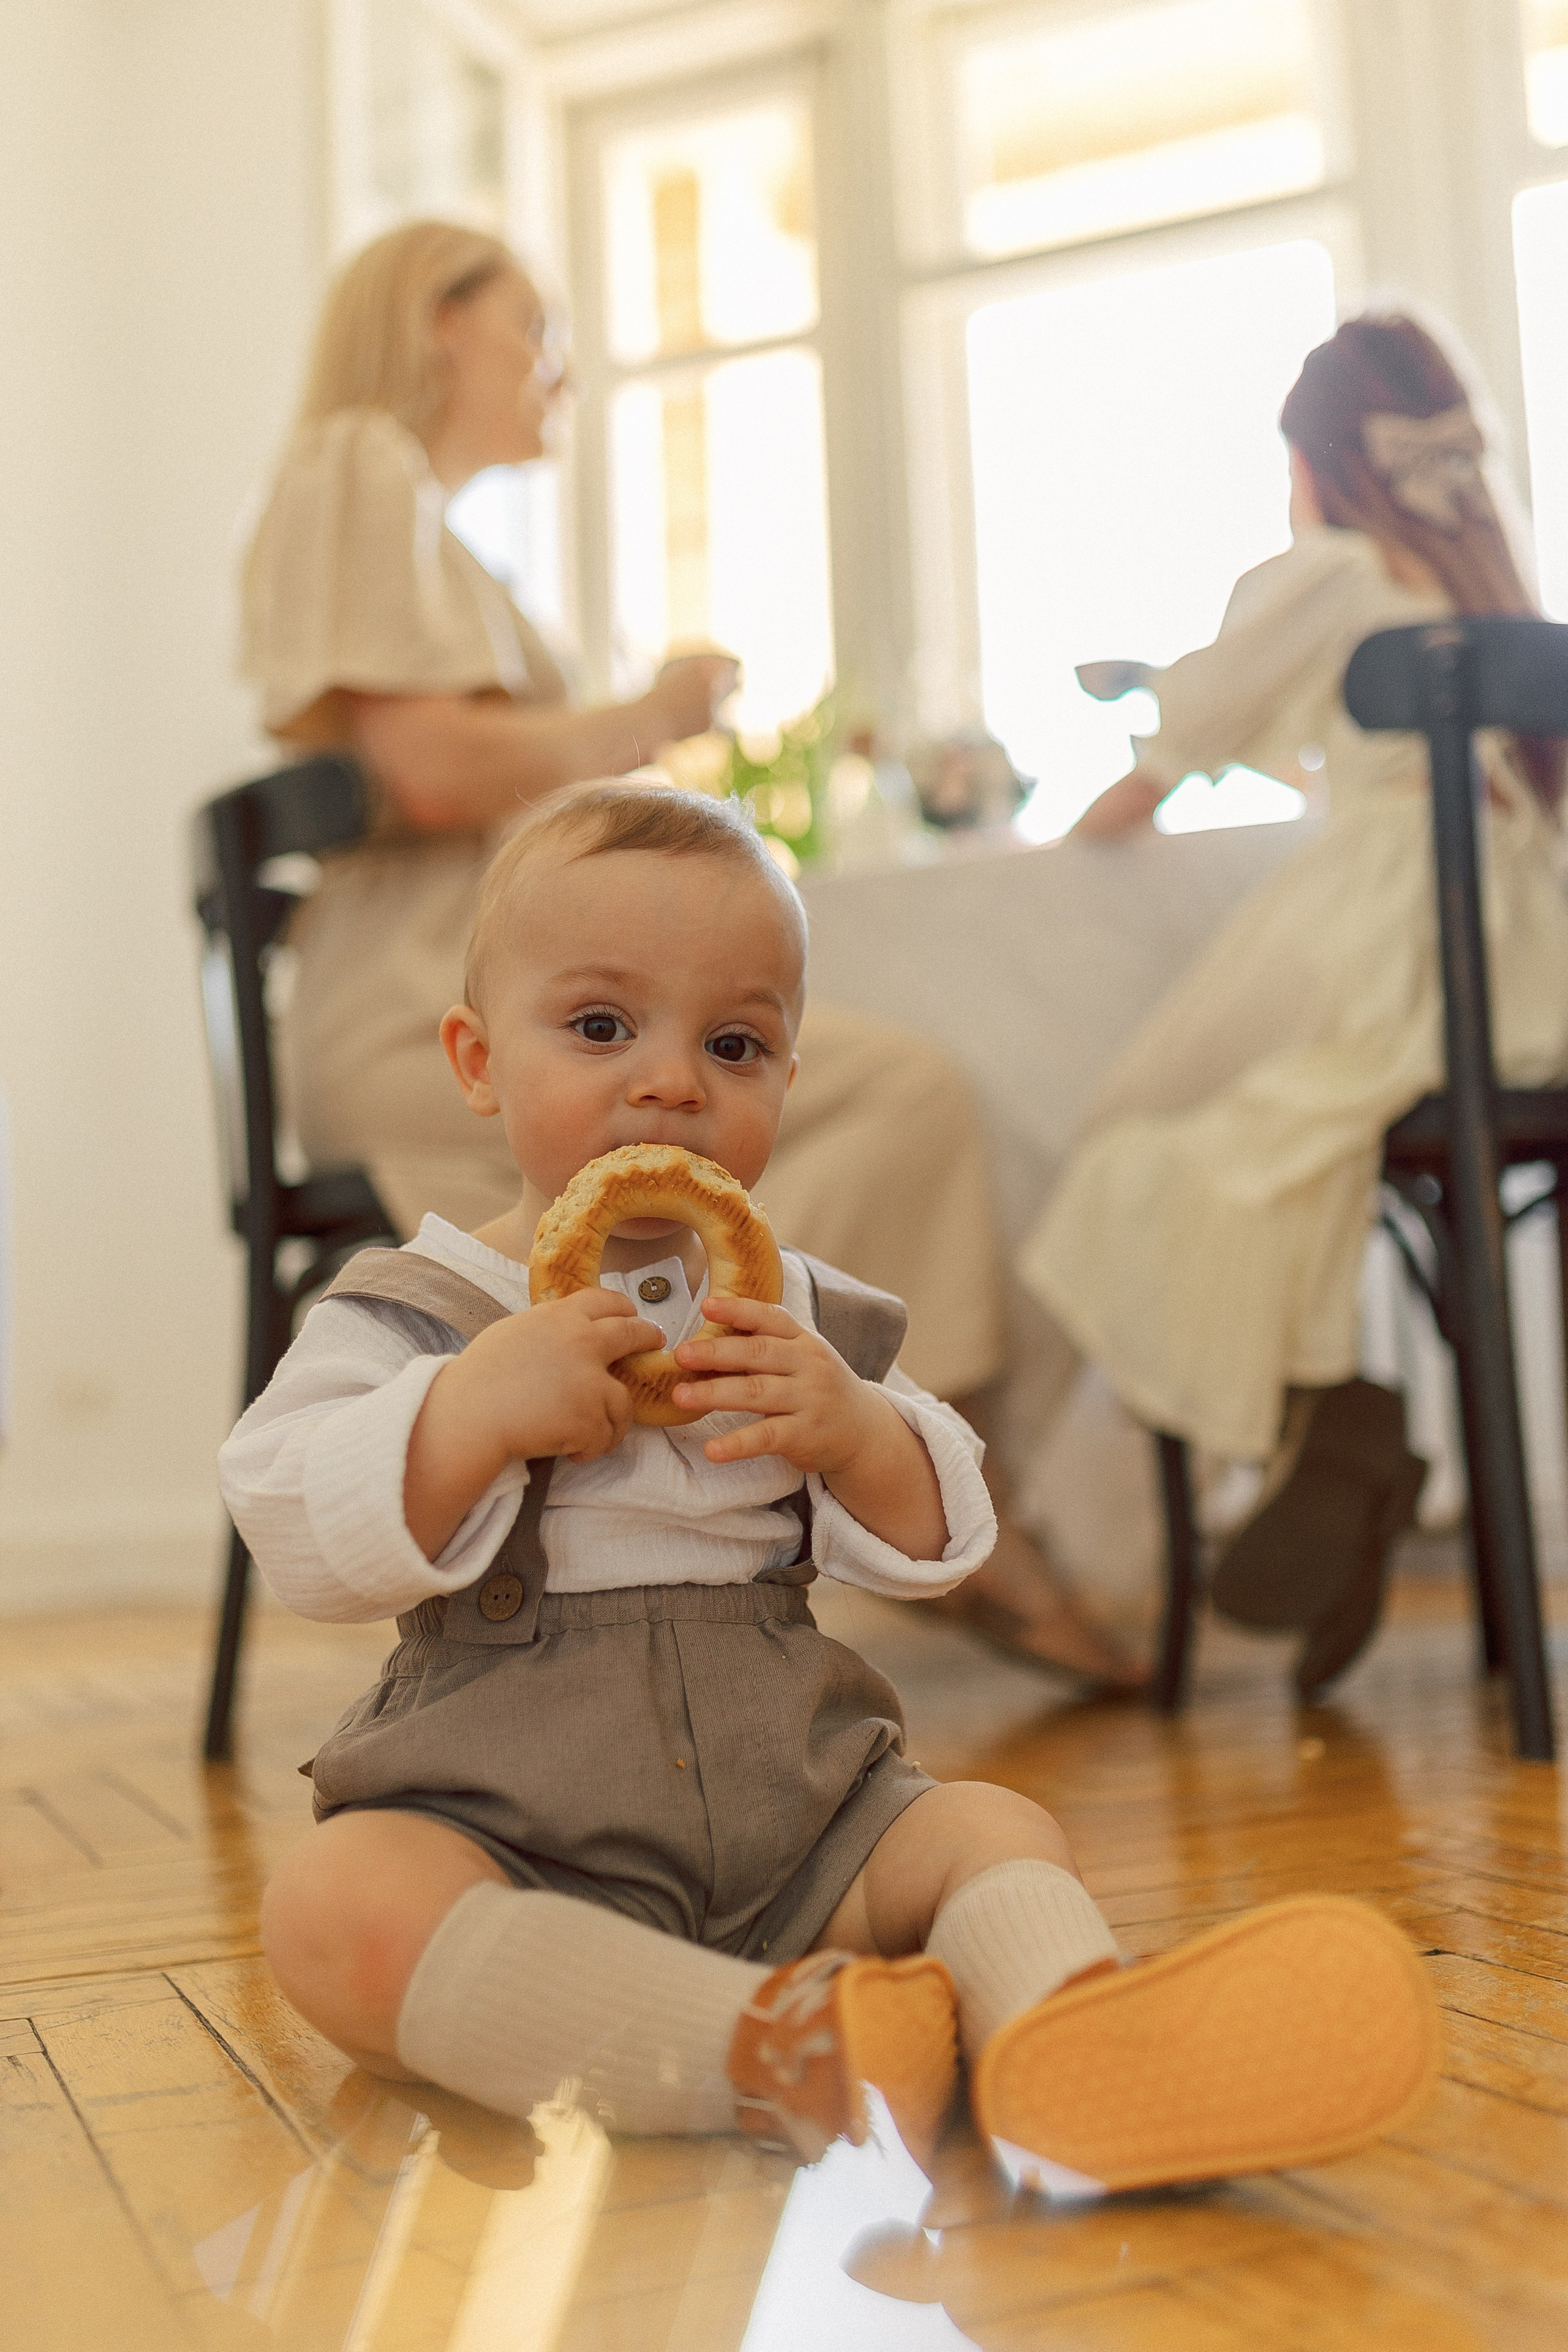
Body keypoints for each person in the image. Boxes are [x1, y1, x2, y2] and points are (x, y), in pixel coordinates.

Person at [221, 780, 1437, 2185]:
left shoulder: (802, 1316)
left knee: (991, 1829)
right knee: (339, 1911)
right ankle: (771, 2050)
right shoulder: (420, 1309)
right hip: (516, 1840)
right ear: (477, 1060)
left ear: (786, 1085)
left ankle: (1079, 2041)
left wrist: (858, 1433)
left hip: (806, 1826)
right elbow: (289, 1521)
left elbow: (946, 1532)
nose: (672, 1080)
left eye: (733, 1043)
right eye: (601, 1027)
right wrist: (454, 1420)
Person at [239, 217, 1131, 1682]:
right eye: (531, 330)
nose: (558, 371)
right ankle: (879, 1475)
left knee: (850, 1100)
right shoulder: (359, 465)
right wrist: (642, 718)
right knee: (896, 1093)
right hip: (419, 998)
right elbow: (430, 769)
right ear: (430, 321)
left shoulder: (446, 545)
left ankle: (786, 1465)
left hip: (496, 981)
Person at [1023, 314, 1568, 1694]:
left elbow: (1170, 753)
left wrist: (1084, 825)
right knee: (1272, 1137)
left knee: (1130, 1138)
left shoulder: (1324, 571)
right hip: (1518, 955)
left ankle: (1326, 1419)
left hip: (1392, 938)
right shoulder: (1479, 591)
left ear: (1323, 465)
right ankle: (1329, 1422)